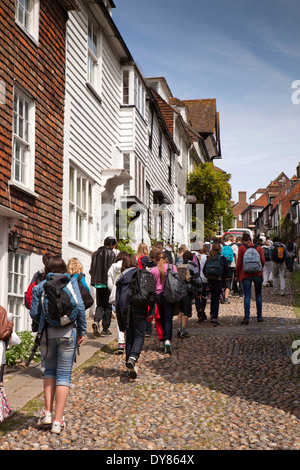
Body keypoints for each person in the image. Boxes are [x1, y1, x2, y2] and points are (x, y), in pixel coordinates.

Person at [30, 255, 86, 434]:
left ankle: (47, 413)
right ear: (64, 269)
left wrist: (42, 323)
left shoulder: (40, 286)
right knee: (63, 376)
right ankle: (57, 421)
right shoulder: (71, 282)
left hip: (47, 334)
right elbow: (81, 307)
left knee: (49, 372)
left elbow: (34, 312)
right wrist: (82, 330)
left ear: (46, 269)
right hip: (68, 333)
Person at [115, 254, 150, 379]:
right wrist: (151, 312)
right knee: (139, 334)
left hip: (124, 309)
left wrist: (120, 322)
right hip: (139, 307)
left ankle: (129, 363)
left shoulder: (121, 278)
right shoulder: (141, 273)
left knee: (129, 334)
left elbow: (117, 301)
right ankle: (133, 357)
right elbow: (150, 292)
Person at [151, 251, 178, 354]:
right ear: (166, 258)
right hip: (169, 295)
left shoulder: (154, 270)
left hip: (158, 296)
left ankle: (162, 341)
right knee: (168, 319)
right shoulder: (172, 267)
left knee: (161, 318)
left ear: (156, 260)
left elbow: (151, 285)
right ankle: (167, 340)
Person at [89, 236, 117, 336]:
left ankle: (96, 321)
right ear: (110, 244)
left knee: (100, 304)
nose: (114, 247)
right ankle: (105, 328)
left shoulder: (95, 253)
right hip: (107, 283)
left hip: (98, 283)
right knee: (108, 306)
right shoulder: (112, 254)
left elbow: (92, 269)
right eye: (114, 245)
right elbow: (111, 270)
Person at [235, 233, 265, 324]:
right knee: (258, 295)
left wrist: (237, 275)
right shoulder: (259, 248)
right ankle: (259, 317)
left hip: (245, 274)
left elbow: (239, 263)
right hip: (257, 274)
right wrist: (259, 269)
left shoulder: (242, 248)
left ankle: (247, 318)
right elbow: (263, 261)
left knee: (247, 295)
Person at [176, 250, 202, 338]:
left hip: (178, 290)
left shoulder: (178, 264)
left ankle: (179, 327)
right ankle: (183, 329)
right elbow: (197, 279)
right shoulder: (193, 265)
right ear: (191, 258)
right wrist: (199, 290)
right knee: (186, 311)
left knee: (179, 309)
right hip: (188, 290)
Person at [203, 242, 229, 326]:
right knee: (216, 299)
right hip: (218, 280)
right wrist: (223, 277)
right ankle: (214, 317)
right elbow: (227, 270)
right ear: (220, 249)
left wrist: (208, 276)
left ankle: (211, 314)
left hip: (210, 280)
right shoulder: (222, 258)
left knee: (212, 298)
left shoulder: (209, 257)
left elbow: (204, 270)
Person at [107, 251, 128, 354]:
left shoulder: (114, 266)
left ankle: (121, 342)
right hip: (127, 293)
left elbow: (109, 281)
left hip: (117, 294)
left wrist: (113, 290)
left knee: (119, 318)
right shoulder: (129, 264)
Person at [221, 234, 238, 304]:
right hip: (231, 265)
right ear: (232, 239)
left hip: (222, 265)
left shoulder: (221, 245)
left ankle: (221, 296)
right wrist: (236, 266)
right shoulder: (234, 246)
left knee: (222, 281)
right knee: (228, 281)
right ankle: (226, 298)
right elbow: (236, 257)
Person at [196, 246, 209, 322]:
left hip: (197, 278)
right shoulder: (206, 257)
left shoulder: (196, 257)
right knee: (204, 296)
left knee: (197, 296)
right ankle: (202, 309)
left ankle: (198, 312)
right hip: (204, 278)